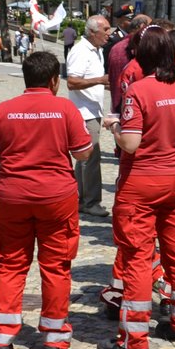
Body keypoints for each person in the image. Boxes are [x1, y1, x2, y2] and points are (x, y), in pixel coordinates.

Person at [0, 50, 94, 349]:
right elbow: (83, 152)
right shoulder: (65, 109)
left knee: (11, 263)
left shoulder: (2, 110)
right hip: (57, 197)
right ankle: (54, 336)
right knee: (56, 265)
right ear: (55, 80)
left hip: (11, 195)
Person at [104, 29, 175, 349]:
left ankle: (134, 339)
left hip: (142, 182)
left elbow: (131, 144)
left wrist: (116, 127)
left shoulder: (138, 90)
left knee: (137, 255)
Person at [66, 16, 114, 219]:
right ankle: (91, 202)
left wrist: (104, 84)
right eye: (105, 29)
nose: (109, 33)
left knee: (84, 159)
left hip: (92, 109)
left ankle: (82, 198)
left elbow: (88, 80)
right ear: (93, 32)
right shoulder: (80, 51)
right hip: (83, 112)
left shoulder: (97, 50)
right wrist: (100, 80)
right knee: (91, 157)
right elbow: (72, 81)